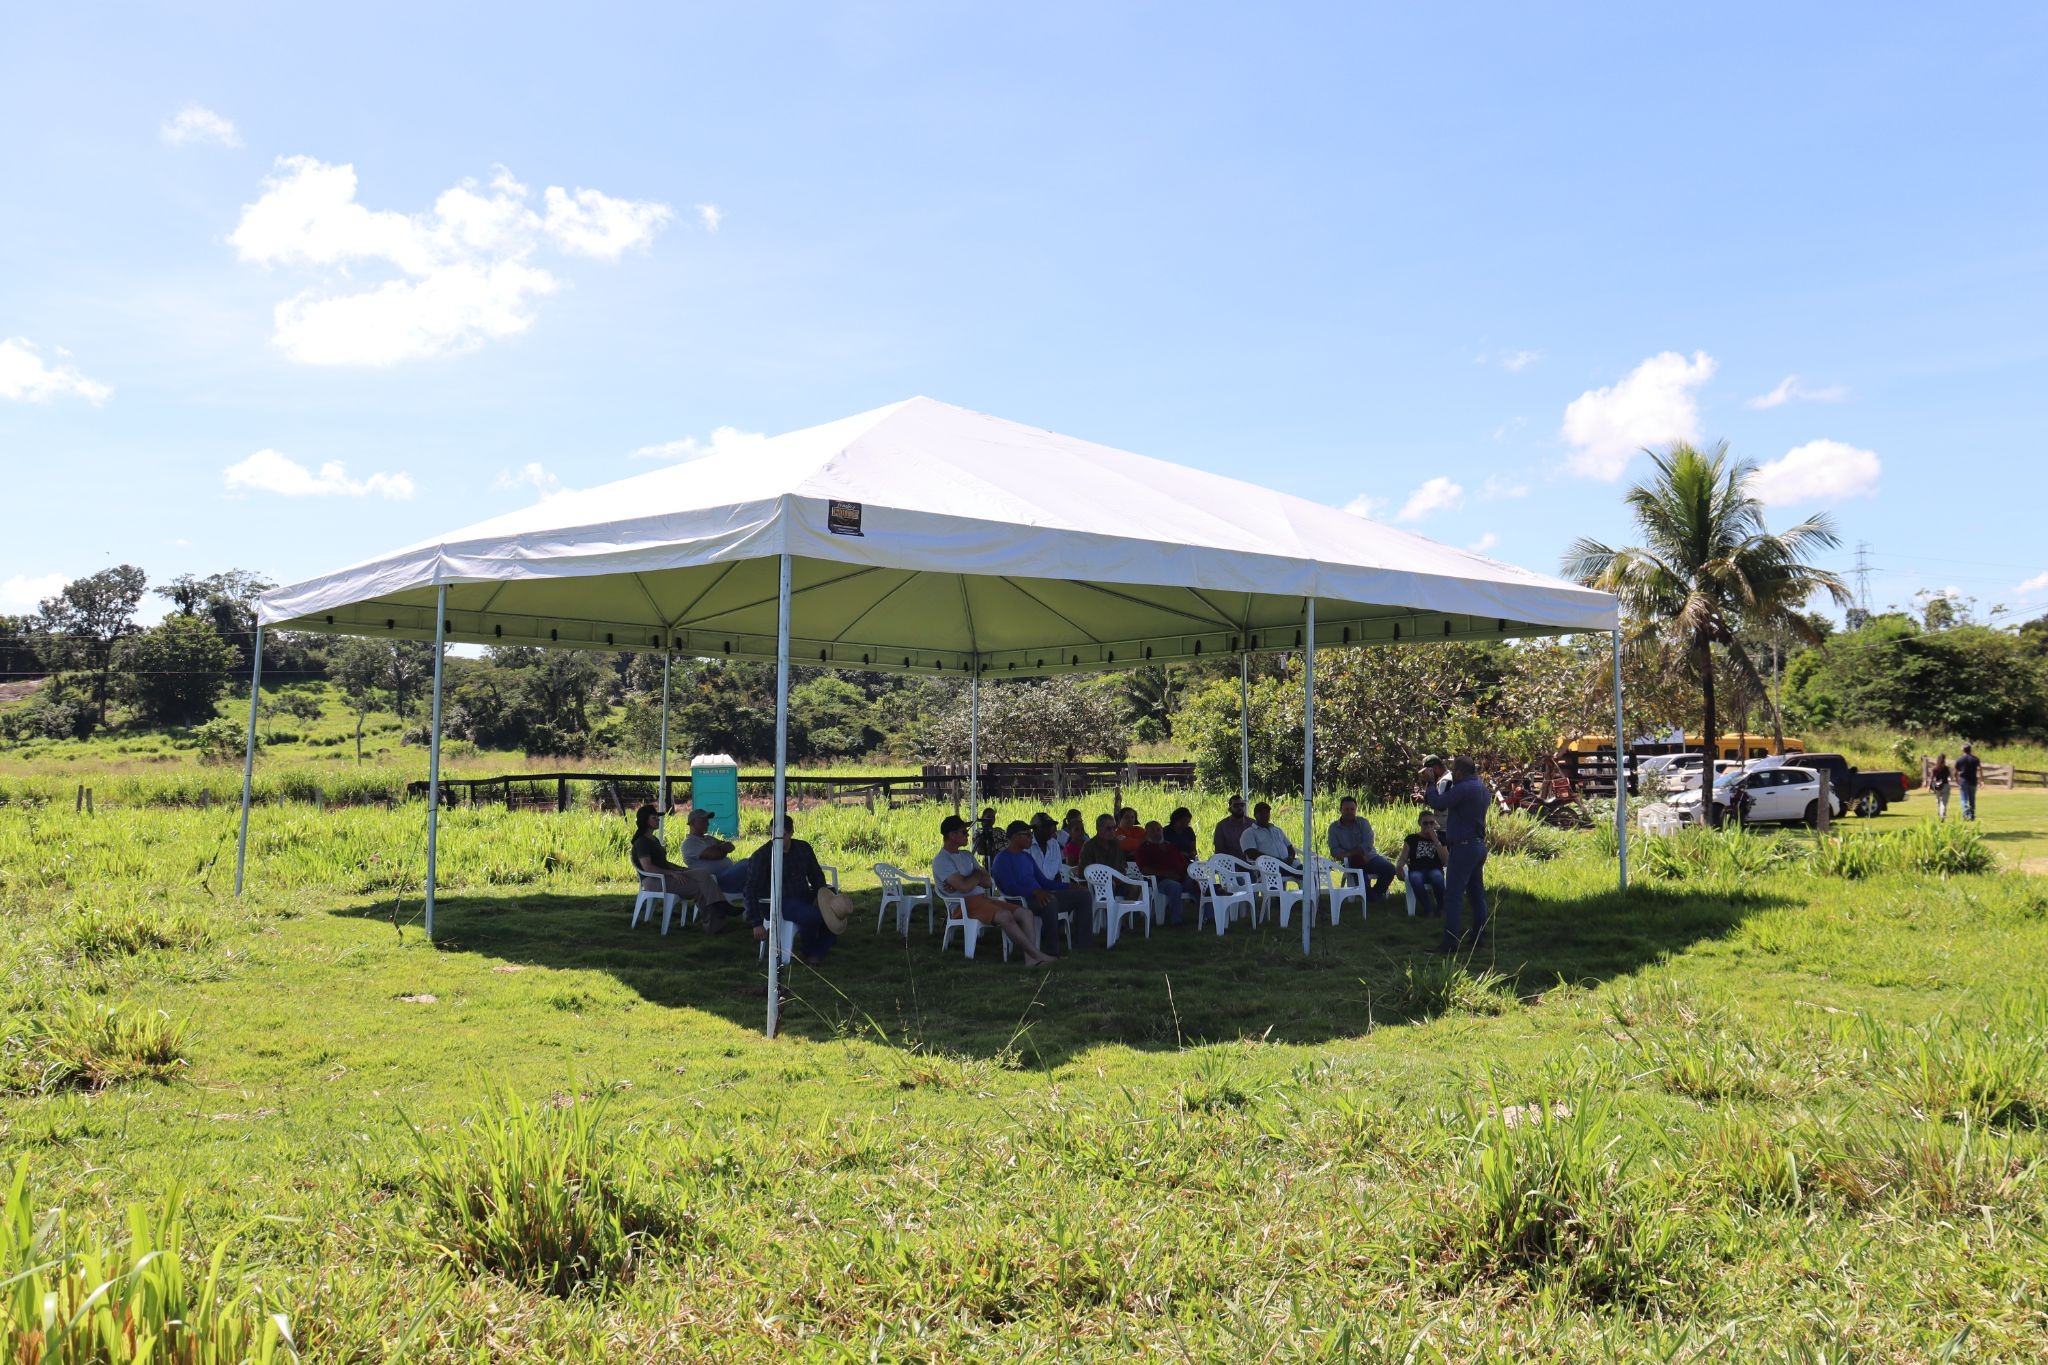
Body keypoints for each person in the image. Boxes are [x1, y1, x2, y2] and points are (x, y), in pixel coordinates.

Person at [933, 814, 1056, 965]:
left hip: (983, 900)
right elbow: (965, 887)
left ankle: (1031, 959)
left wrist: (971, 878)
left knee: (1026, 913)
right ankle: (1037, 956)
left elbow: (988, 882)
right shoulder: (942, 860)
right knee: (1005, 916)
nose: (968, 835)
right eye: (964, 832)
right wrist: (975, 876)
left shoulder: (966, 855)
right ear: (952, 835)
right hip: (964, 905)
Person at [742, 815, 851, 963]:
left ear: (791, 832)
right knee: (812, 916)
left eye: (782, 835)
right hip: (776, 902)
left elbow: (816, 875)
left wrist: (820, 896)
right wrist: (756, 922)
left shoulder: (803, 848)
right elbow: (750, 889)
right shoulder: (762, 856)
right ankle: (810, 951)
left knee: (833, 909)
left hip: (802, 895)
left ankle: (819, 948)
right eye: (773, 835)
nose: (776, 839)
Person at [1422, 756, 1490, 953]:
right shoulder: (1482, 788)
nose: (1452, 774)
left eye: (1453, 771)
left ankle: (1450, 943)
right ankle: (1479, 938)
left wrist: (1430, 783)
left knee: (1453, 896)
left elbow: (1438, 803)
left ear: (1459, 773)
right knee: (1476, 895)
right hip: (1478, 845)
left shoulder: (1463, 788)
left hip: (1463, 847)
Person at [992, 820, 1093, 953]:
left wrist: (1068, 886)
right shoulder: (1002, 859)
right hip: (1019, 901)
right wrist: (1034, 891)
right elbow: (1009, 887)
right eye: (1027, 835)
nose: (1031, 838)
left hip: (1039, 895)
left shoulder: (1027, 857)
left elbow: (1044, 882)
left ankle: (1083, 945)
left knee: (1084, 895)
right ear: (1015, 837)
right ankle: (1052, 950)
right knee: (1050, 901)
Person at [630, 804, 734, 932]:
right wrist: (672, 873)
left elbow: (664, 863)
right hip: (654, 880)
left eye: (658, 817)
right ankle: (714, 925)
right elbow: (648, 868)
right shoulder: (642, 842)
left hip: (665, 875)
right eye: (654, 817)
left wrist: (682, 869)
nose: (658, 819)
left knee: (702, 874)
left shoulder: (654, 840)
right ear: (645, 820)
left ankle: (722, 906)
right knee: (699, 888)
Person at [1081, 812, 1174, 926]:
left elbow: (1122, 865)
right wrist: (1107, 879)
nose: (1112, 831)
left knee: (1135, 887)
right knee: (1110, 886)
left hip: (1116, 880)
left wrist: (1120, 876)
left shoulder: (1116, 844)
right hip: (1097, 884)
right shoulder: (1089, 845)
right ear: (1099, 828)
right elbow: (1084, 870)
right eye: (1108, 828)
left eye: (1114, 828)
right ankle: (1111, 922)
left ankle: (1121, 921)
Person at [1327, 796, 1396, 902]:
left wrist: (1352, 853)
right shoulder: (1334, 828)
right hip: (1350, 860)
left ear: (1356, 810)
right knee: (1357, 864)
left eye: (1352, 809)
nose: (1349, 812)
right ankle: (1371, 897)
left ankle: (1374, 894)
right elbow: (1334, 850)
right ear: (1340, 810)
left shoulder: (1363, 823)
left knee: (1390, 869)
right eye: (1346, 809)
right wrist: (1354, 854)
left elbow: (1368, 844)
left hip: (1371, 857)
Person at [680, 807, 751, 899]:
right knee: (746, 864)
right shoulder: (689, 843)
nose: (707, 824)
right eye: (703, 821)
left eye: (707, 820)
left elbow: (730, 847)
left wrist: (719, 848)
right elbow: (715, 855)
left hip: (727, 876)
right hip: (715, 882)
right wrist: (721, 848)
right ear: (692, 823)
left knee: (752, 866)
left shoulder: (709, 839)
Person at [1134, 821, 1192, 925]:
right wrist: (1165, 874)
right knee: (1174, 886)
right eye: (1152, 830)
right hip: (1160, 881)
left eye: (1158, 830)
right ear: (1146, 834)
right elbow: (1144, 869)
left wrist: (1189, 872)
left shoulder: (1170, 846)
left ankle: (1208, 917)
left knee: (1198, 882)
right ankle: (1176, 921)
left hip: (1179, 877)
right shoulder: (1143, 849)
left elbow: (1182, 863)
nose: (1156, 833)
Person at [1393, 811, 1448, 915]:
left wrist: (1436, 840)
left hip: (1435, 868)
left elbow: (1445, 861)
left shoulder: (1441, 838)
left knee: (1437, 877)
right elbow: (1403, 857)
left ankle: (1442, 907)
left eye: (1431, 823)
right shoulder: (1411, 838)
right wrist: (1399, 866)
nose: (1428, 826)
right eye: (1425, 823)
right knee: (1415, 878)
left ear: (1435, 823)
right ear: (1419, 823)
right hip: (1416, 869)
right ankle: (1428, 908)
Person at [1212, 795, 1254, 863]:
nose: (1240, 808)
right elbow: (1219, 850)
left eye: (1242, 805)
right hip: (1230, 863)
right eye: (1236, 806)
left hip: (1250, 862)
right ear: (1229, 809)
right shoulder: (1222, 826)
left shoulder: (1252, 824)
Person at [1955, 744, 1982, 821]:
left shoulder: (1959, 760)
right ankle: (1972, 815)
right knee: (1972, 799)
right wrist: (1981, 780)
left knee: (1964, 800)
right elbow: (1980, 770)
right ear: (1970, 750)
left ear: (1963, 750)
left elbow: (1955, 772)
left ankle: (1965, 815)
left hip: (1963, 782)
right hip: (1973, 781)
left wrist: (1957, 780)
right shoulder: (1975, 759)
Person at [1929, 753, 1952, 821]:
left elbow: (1931, 778)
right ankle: (1943, 815)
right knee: (1944, 802)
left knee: (1938, 801)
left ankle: (1939, 814)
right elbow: (1950, 777)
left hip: (1937, 785)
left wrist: (1929, 786)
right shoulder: (1947, 768)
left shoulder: (1935, 768)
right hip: (1945, 785)